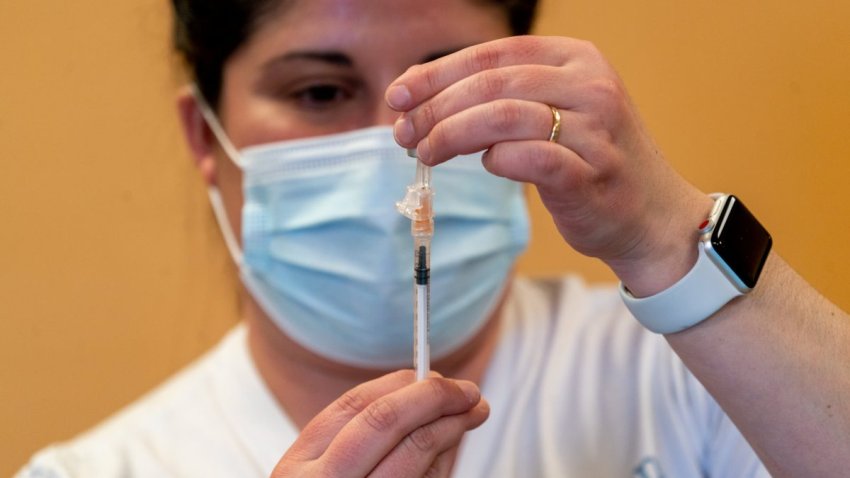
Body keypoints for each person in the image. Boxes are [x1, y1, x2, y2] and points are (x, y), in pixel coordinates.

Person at [17, 0, 850, 477]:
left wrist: (667, 232)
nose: (402, 140)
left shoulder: (689, 375)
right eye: (319, 91)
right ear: (206, 139)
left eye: (465, 86)